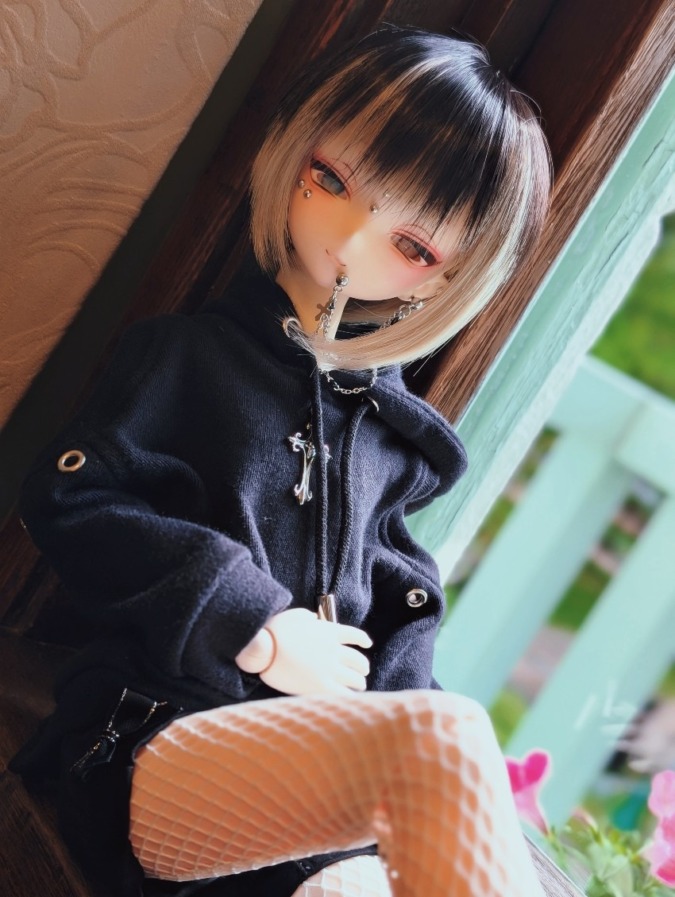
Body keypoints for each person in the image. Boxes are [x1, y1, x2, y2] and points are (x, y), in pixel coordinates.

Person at [11, 24, 552, 897]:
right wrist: (254, 624)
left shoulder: (387, 441)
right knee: (443, 738)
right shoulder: (187, 359)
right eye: (331, 180)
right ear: (294, 151)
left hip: (303, 813)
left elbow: (398, 619)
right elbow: (71, 499)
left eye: (411, 244)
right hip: (158, 741)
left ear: (440, 281)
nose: (352, 237)